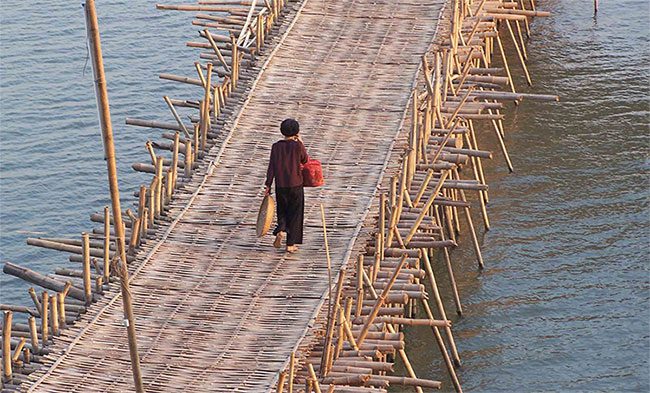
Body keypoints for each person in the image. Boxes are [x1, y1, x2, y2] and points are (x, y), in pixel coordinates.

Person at [264, 118, 308, 253]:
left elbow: (271, 167)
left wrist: (268, 185)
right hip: (296, 184)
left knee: (282, 210)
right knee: (295, 213)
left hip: (281, 184)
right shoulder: (297, 146)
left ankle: (281, 228)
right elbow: (305, 159)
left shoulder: (276, 146)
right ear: (296, 132)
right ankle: (290, 244)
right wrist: (300, 141)